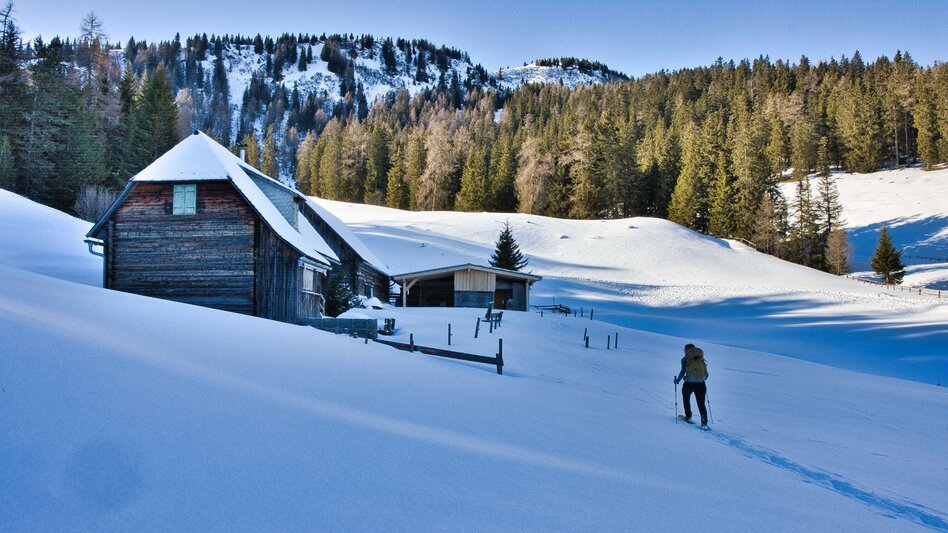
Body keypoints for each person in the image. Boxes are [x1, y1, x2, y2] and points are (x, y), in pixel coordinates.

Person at [675, 343, 709, 427]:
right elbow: (706, 374)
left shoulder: (684, 359)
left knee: (686, 399)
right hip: (701, 383)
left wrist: (677, 380)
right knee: (701, 403)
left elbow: (683, 371)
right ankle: (704, 423)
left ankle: (688, 416)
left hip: (689, 383)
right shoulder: (701, 359)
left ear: (686, 350)